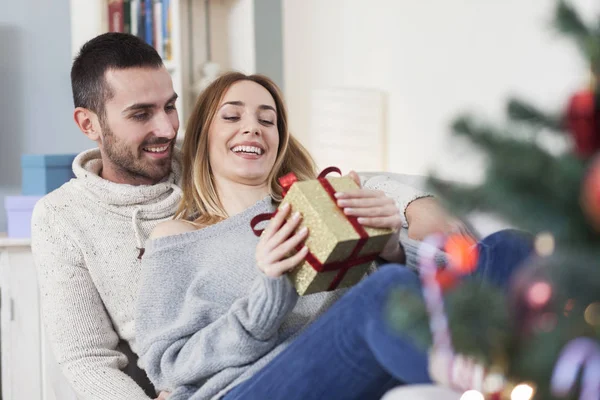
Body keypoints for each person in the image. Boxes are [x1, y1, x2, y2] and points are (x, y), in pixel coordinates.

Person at [30, 33, 457, 400]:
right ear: (88, 123)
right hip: (209, 378)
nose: (166, 129)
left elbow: (340, 179)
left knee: (501, 249)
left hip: (319, 348)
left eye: (171, 107)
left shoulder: (209, 161)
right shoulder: (64, 218)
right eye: (141, 114)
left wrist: (409, 207)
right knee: (386, 292)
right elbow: (89, 359)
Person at [135, 72, 533, 400]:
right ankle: (488, 381)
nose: (252, 128)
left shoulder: (320, 202)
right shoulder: (177, 236)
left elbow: (437, 284)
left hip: (357, 360)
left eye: (267, 119)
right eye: (232, 116)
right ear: (202, 134)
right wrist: (270, 291)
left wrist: (392, 249)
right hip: (249, 387)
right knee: (386, 293)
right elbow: (167, 366)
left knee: (508, 248)